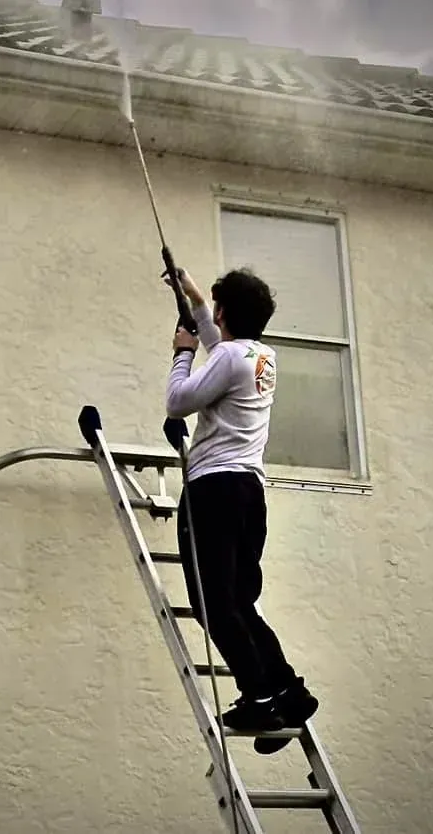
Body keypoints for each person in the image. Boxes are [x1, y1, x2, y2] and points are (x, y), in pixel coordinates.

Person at [164, 267, 318, 755]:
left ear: (226, 310)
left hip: (214, 489)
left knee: (212, 602)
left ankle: (259, 695)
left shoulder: (228, 357)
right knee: (239, 603)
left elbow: (177, 403)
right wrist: (193, 298)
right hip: (250, 493)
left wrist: (182, 352)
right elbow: (223, 347)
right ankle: (290, 690)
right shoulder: (261, 357)